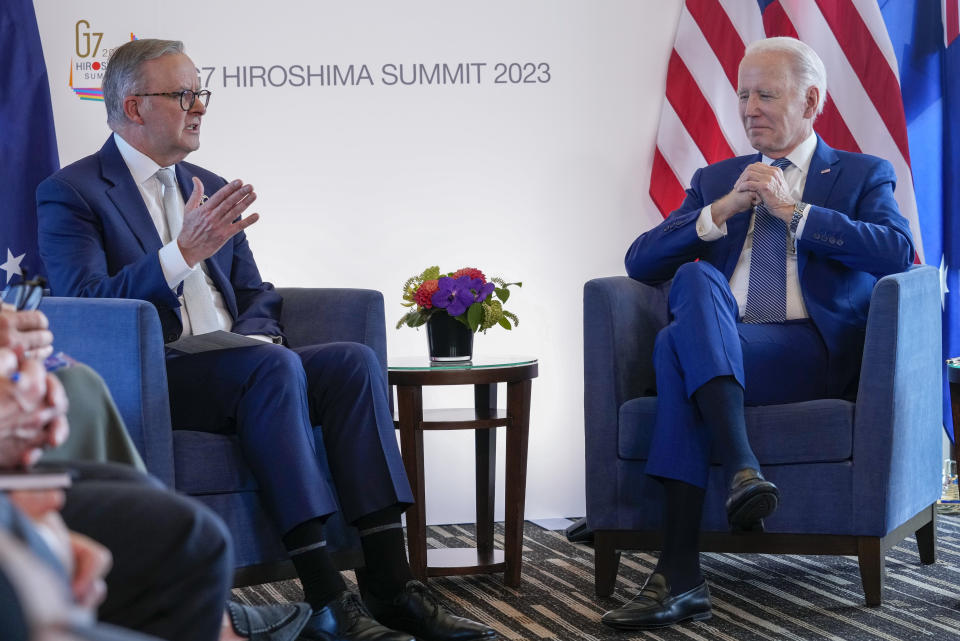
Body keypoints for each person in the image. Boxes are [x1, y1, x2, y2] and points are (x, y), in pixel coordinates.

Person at [36, 38, 494, 641]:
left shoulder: (208, 183)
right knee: (271, 373)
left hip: (242, 364)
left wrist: (262, 337)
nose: (199, 106)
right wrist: (179, 255)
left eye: (202, 93)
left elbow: (255, 293)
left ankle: (390, 586)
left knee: (353, 363)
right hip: (158, 372)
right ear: (134, 105)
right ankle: (328, 599)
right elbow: (85, 303)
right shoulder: (74, 192)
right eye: (184, 94)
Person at [600, 37, 915, 630]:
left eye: (765, 94)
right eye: (743, 95)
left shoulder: (859, 173)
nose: (749, 109)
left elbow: (897, 251)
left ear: (811, 101)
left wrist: (795, 213)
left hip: (809, 350)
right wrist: (719, 211)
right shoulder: (717, 177)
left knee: (676, 349)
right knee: (688, 306)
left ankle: (679, 573)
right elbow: (641, 262)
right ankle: (741, 473)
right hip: (728, 338)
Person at [0, 321, 310, 641]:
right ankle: (223, 620)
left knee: (136, 484)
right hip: (173, 356)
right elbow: (88, 287)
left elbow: (257, 298)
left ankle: (211, 612)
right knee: (192, 536)